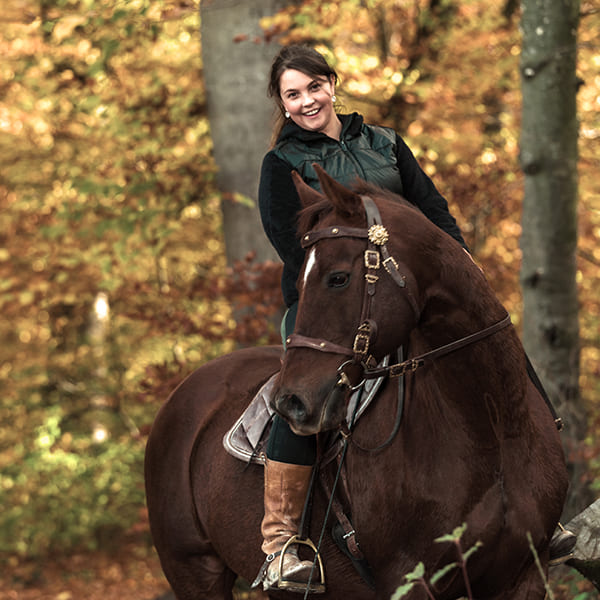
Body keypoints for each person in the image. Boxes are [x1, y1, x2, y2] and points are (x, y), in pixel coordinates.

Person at [253, 44, 575, 593]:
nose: (307, 101)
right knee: (300, 396)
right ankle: (282, 541)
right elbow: (295, 247)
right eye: (293, 95)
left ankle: (539, 498)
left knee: (495, 339)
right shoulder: (280, 165)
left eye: (314, 87)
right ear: (282, 106)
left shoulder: (383, 142)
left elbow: (432, 210)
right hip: (326, 305)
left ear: (332, 84)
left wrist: (461, 271)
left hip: (410, 292)